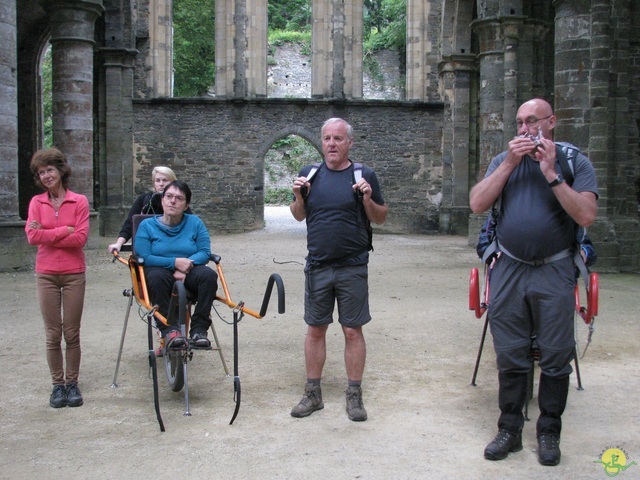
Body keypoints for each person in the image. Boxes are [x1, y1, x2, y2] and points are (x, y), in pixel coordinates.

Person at [469, 98, 598, 466]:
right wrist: (509, 162)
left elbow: (587, 214)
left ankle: (548, 432)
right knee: (510, 353)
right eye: (521, 122)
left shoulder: (574, 161)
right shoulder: (504, 161)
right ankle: (509, 429)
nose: (526, 129)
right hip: (509, 266)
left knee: (556, 355)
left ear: (551, 122)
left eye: (533, 122)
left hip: (555, 268)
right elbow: (477, 204)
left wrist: (551, 173)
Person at [289, 118, 388, 422]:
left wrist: (368, 198)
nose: (331, 144)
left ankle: (354, 394)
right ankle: (313, 393)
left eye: (338, 139)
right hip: (317, 265)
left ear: (349, 143)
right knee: (315, 329)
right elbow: (297, 215)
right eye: (327, 138)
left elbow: (381, 217)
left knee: (352, 331)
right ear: (322, 141)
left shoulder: (363, 175)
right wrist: (298, 196)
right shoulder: (310, 174)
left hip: (352, 266)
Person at [25, 148, 90, 408]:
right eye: (41, 173)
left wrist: (47, 232)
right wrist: (64, 229)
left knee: (71, 332)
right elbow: (32, 237)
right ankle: (58, 385)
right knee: (52, 334)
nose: (46, 176)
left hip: (74, 273)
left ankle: (72, 383)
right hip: (46, 274)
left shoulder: (80, 201)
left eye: (50, 170)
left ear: (61, 171)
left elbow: (81, 239)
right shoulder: (35, 203)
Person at [134, 180, 217, 350]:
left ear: (186, 205)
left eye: (179, 198)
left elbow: (204, 252)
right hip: (158, 270)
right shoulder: (147, 226)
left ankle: (199, 330)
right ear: (162, 200)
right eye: (169, 196)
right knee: (156, 276)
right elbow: (143, 256)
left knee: (208, 276)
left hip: (189, 269)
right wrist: (174, 263)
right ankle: (168, 329)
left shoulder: (194, 222)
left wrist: (186, 266)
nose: (173, 201)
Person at [108, 166, 187, 253]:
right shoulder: (144, 200)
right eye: (158, 180)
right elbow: (130, 224)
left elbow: (189, 223)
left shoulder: (179, 201)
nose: (161, 184)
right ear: (154, 183)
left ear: (173, 183)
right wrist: (119, 243)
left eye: (165, 180)